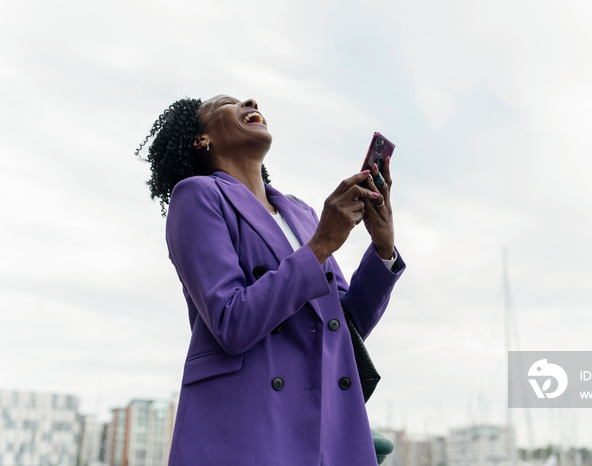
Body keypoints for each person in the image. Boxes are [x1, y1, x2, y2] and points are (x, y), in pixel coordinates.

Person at [136, 95, 405, 465]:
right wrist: (322, 243)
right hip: (249, 429)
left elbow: (343, 325)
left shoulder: (302, 213)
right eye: (226, 104)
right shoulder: (197, 195)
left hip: (327, 433)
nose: (249, 100)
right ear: (202, 140)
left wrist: (383, 249)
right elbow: (231, 321)